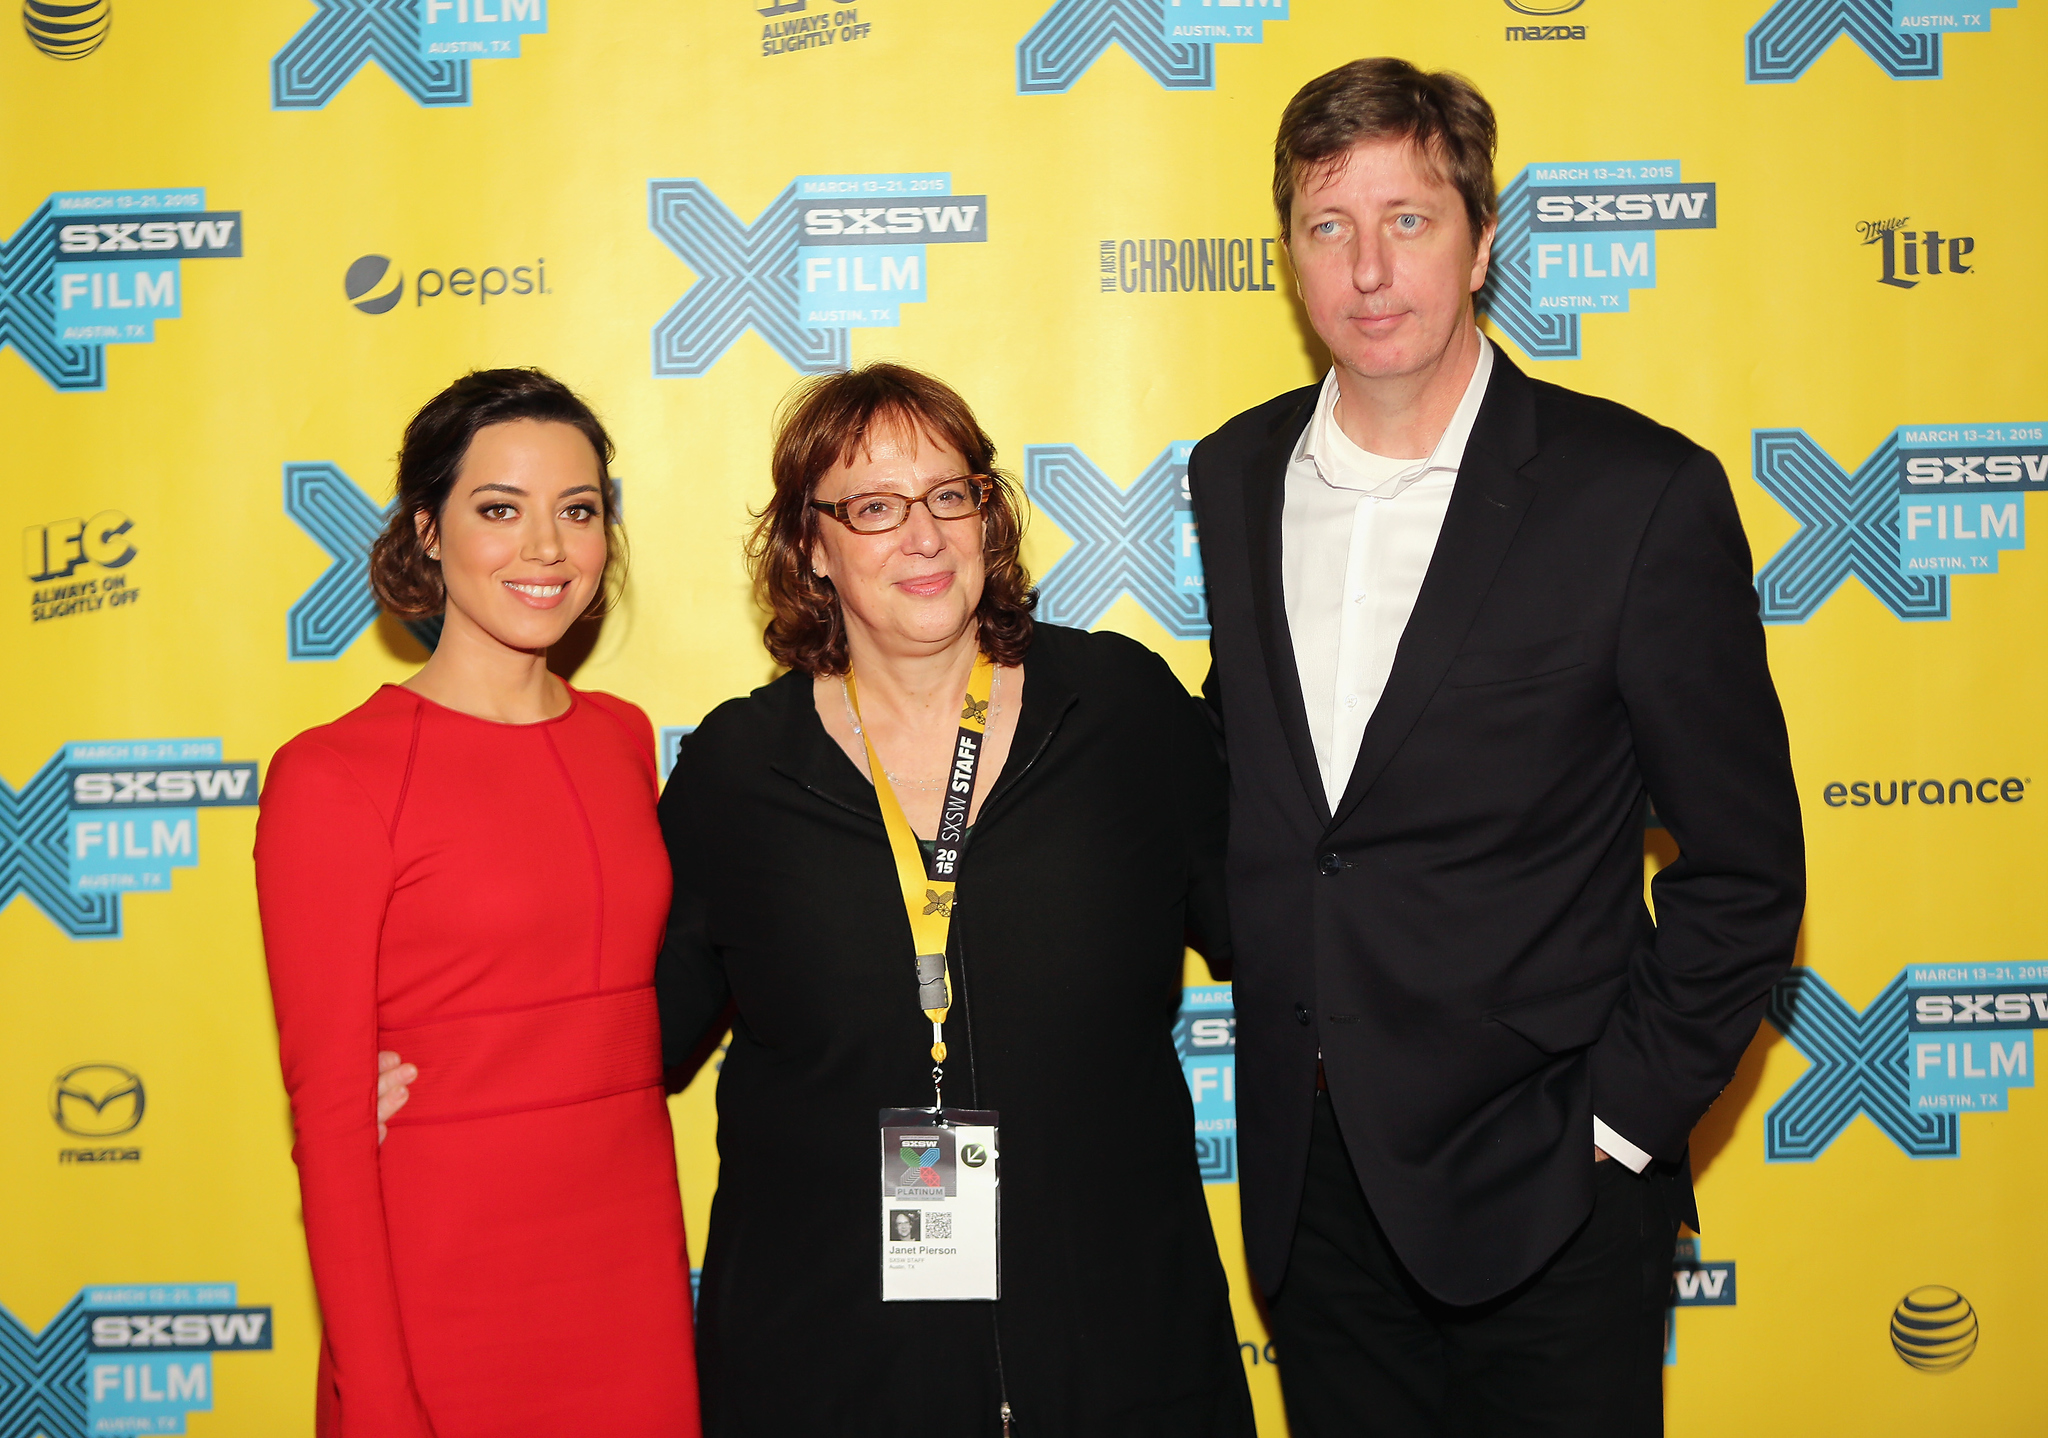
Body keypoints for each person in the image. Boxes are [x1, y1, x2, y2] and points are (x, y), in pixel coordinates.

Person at [1186, 60, 1806, 1436]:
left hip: (1548, 1186)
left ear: (1479, 238)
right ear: (1286, 253)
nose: (1366, 266)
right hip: (1316, 1186)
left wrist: (1616, 1125)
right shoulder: (1234, 475)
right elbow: (1285, 787)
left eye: (1408, 218)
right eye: (1326, 224)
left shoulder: (1635, 494)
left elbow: (1747, 869)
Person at [657, 363, 1254, 1437]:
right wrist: (436, 1059)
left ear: (989, 513)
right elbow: (627, 1032)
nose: (922, 535)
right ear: (810, 547)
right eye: (874, 507)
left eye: (950, 494)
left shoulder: (1119, 713)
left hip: (1117, 1351)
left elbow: (1287, 935)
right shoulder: (738, 771)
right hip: (828, 1368)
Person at [255, 369, 701, 1438]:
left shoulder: (621, 738)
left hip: (626, 1276)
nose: (544, 549)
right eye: (498, 509)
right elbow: (327, 1119)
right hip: (443, 1284)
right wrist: (375, 1393)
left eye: (577, 510)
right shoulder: (334, 774)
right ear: (426, 534)